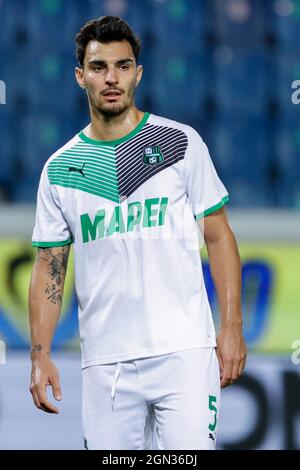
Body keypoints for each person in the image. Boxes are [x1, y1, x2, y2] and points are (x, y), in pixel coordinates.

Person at [28, 15, 247, 450]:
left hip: (183, 352)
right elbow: (51, 264)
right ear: (79, 76)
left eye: (123, 66)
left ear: (138, 73)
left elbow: (219, 236)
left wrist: (232, 326)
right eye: (98, 67)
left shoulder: (181, 143)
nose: (111, 78)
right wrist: (40, 354)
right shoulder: (59, 170)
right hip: (105, 363)